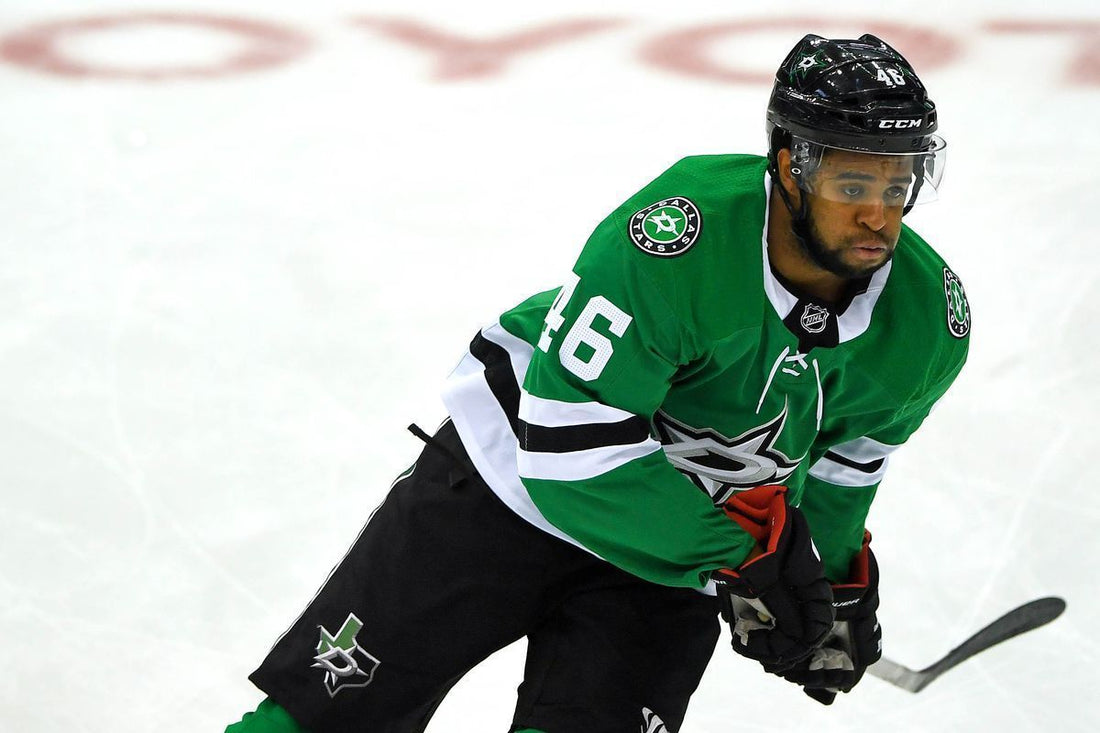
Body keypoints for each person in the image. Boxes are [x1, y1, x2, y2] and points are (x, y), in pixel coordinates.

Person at [227, 32, 969, 733]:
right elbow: (570, 456)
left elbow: (844, 464)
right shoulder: (678, 242)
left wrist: (828, 591)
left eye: (898, 183)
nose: (878, 216)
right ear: (788, 167)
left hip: (673, 555)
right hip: (506, 492)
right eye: (852, 183)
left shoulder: (926, 322)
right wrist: (745, 560)